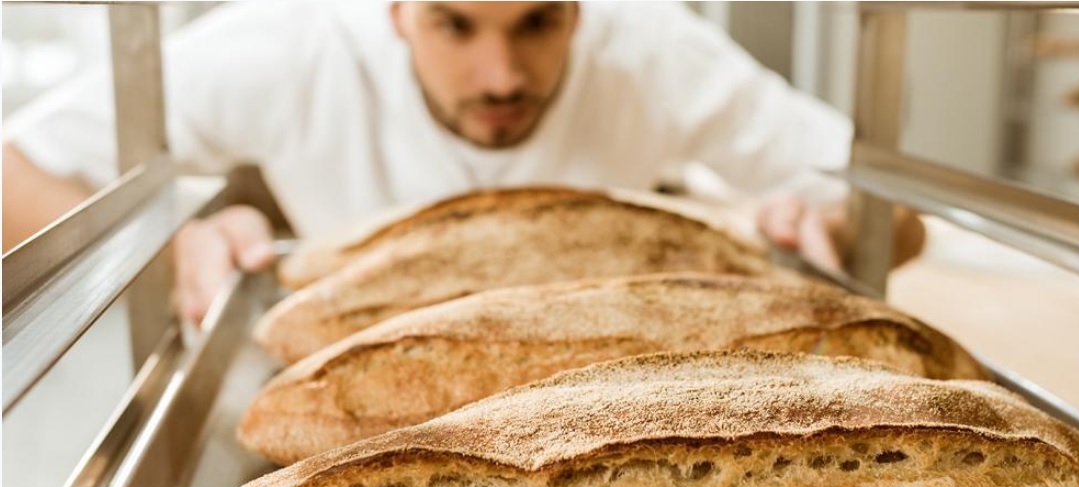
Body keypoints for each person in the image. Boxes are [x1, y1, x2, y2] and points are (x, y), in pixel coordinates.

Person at [2, 1, 924, 324]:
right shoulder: (291, 45)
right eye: (455, 24)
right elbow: (12, 169)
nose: (502, 76)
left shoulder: (650, 49)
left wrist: (829, 225)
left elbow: (900, 215)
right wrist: (177, 246)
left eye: (538, 22)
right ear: (396, 13)